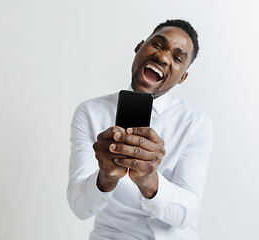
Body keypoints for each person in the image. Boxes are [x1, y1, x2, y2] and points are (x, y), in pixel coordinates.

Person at [67, 19, 213, 240]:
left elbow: (188, 213)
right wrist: (106, 176)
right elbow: (80, 207)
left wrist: (148, 181)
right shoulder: (90, 112)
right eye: (157, 45)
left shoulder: (195, 123)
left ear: (182, 77)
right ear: (139, 47)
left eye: (177, 57)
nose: (163, 57)